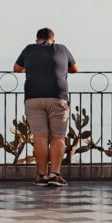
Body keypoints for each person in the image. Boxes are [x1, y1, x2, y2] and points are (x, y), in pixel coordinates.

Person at [14, 28, 79, 187]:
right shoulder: (61, 49)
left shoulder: (29, 49)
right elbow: (75, 68)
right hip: (58, 96)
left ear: (37, 40)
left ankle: (42, 175)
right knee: (58, 137)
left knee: (40, 137)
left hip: (33, 97)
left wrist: (31, 68)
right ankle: (55, 174)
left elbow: (16, 68)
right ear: (53, 40)